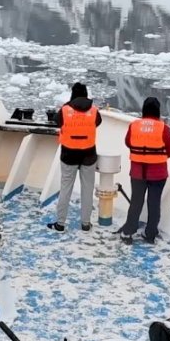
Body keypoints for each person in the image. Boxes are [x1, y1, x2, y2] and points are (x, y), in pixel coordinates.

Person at [118, 97, 170, 244]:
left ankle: (128, 232)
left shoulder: (134, 125)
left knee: (136, 202)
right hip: (158, 174)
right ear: (158, 111)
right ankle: (150, 233)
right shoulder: (163, 128)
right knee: (154, 203)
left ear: (143, 110)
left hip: (138, 173)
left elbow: (128, 142)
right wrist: (159, 157)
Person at [48, 83, 103, 232]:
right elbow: (98, 122)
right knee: (87, 189)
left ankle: (60, 223)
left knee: (66, 188)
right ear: (86, 94)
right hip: (89, 155)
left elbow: (56, 121)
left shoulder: (65, 110)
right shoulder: (94, 110)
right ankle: (85, 224)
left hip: (68, 155)